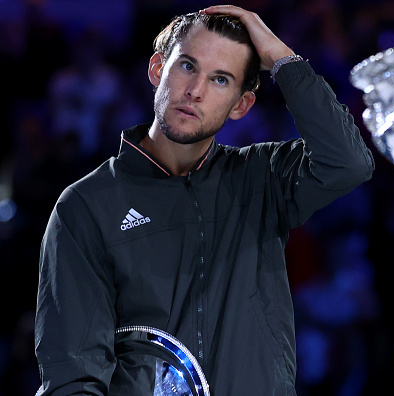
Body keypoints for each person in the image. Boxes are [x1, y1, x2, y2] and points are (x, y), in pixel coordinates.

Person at [34, 5, 374, 395]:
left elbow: (348, 163)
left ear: (240, 106)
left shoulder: (262, 177)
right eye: (187, 67)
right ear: (157, 69)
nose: (195, 91)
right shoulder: (85, 205)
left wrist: (282, 59)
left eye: (220, 79)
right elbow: (73, 376)